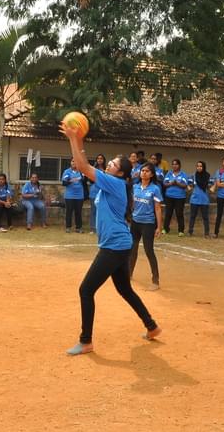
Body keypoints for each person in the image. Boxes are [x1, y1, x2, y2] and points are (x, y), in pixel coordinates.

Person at [59, 123, 161, 356]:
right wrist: (79, 139)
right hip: (119, 244)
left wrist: (73, 139)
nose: (108, 165)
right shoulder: (112, 181)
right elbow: (87, 164)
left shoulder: (114, 183)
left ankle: (86, 341)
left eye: (113, 164)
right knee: (125, 289)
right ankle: (152, 326)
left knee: (85, 290)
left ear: (121, 173)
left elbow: (83, 166)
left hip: (114, 245)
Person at [128, 163, 164, 291]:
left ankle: (155, 281)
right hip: (135, 222)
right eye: (142, 170)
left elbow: (158, 208)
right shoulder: (135, 187)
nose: (144, 173)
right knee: (132, 249)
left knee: (149, 251)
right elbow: (131, 204)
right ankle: (129, 274)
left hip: (148, 223)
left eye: (147, 171)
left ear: (152, 174)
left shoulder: (155, 189)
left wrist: (159, 227)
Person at [163, 159, 189, 236]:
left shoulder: (183, 174)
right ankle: (165, 229)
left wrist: (177, 183)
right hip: (169, 196)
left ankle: (181, 231)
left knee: (179, 214)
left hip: (180, 197)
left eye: (176, 164)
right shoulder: (169, 173)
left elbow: (185, 185)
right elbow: (164, 184)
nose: (174, 166)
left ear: (179, 165)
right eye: (173, 164)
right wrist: (171, 183)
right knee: (168, 213)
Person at [188, 161, 211, 237]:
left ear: (203, 167)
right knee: (192, 216)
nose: (199, 167)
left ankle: (206, 233)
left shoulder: (207, 176)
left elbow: (210, 187)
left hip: (204, 199)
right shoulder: (193, 175)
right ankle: (190, 232)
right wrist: (189, 188)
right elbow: (189, 185)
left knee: (205, 217)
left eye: (201, 166)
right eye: (197, 166)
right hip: (195, 199)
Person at [61, 159, 85, 233]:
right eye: (72, 161)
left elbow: (84, 181)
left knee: (78, 212)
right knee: (69, 211)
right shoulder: (67, 171)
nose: (74, 162)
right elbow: (64, 183)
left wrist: (83, 177)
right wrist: (70, 180)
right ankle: (68, 227)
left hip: (79, 195)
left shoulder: (81, 171)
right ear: (70, 163)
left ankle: (79, 228)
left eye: (76, 161)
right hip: (69, 195)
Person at [88, 154, 106, 233]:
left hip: (104, 191)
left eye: (101, 158)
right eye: (98, 158)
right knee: (93, 210)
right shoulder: (92, 169)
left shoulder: (106, 169)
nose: (99, 160)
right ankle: (93, 228)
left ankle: (101, 227)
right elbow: (90, 180)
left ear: (103, 160)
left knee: (103, 210)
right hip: (94, 191)